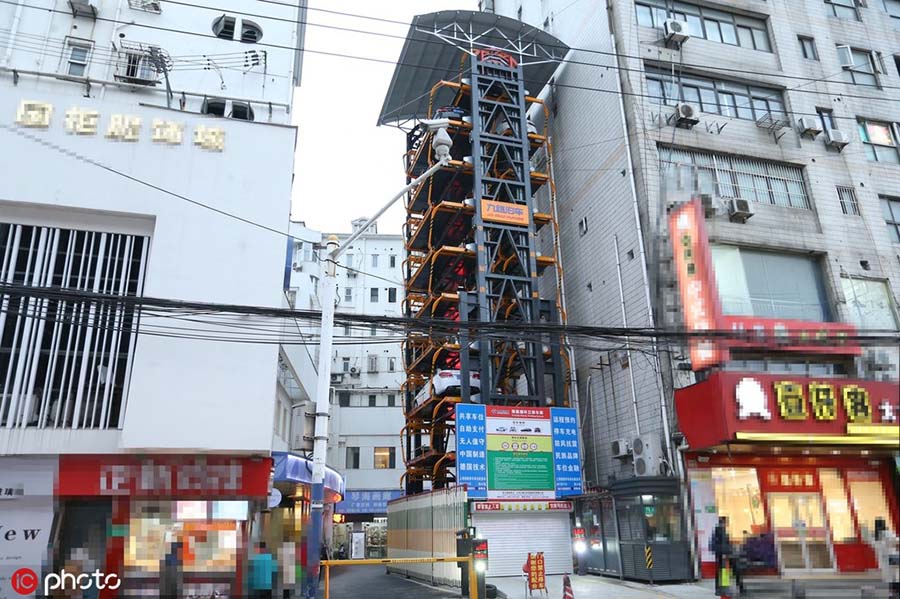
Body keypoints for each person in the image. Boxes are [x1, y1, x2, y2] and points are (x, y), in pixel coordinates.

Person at [862, 517, 899, 597]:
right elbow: (895, 541)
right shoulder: (888, 533)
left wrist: (864, 529)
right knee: (895, 576)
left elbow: (869, 542)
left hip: (883, 559)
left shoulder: (874, 536)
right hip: (892, 557)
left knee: (889, 578)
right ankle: (896, 593)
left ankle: (892, 593)